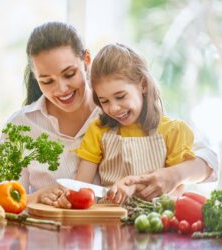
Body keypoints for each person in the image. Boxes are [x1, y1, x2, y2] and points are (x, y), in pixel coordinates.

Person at [0, 21, 217, 205]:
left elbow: (209, 161)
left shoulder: (122, 113)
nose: (61, 89)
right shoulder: (20, 127)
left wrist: (175, 175)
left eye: (69, 74)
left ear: (86, 60)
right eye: (47, 81)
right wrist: (36, 197)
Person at [56, 43, 200, 207]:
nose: (113, 108)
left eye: (120, 96)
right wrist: (69, 198)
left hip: (154, 220)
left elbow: (176, 190)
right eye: (104, 101)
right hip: (108, 219)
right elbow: (81, 186)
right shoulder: (98, 131)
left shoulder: (173, 130)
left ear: (143, 85)